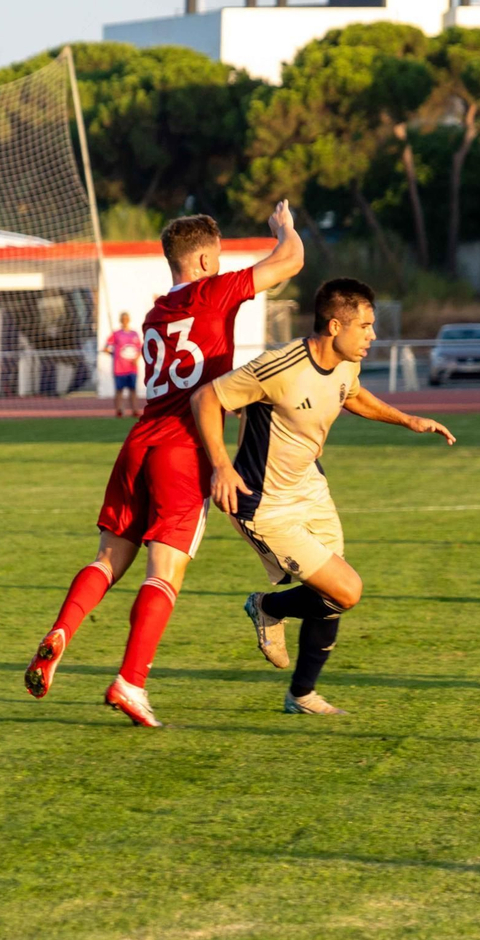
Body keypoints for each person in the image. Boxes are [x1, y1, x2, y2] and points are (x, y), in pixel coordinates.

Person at [24, 201, 305, 727]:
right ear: (202, 261)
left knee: (108, 560)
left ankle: (62, 630)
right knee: (165, 573)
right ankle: (131, 681)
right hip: (183, 448)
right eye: (216, 258)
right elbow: (290, 260)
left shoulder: (157, 312)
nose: (220, 267)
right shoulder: (213, 291)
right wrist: (284, 228)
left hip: (139, 441)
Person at [191, 279, 456, 715]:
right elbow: (206, 398)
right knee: (345, 590)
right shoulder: (279, 367)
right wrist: (221, 465)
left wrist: (407, 420)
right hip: (264, 503)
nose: (373, 335)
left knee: (330, 597)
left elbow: (352, 395)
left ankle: (301, 696)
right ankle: (266, 606)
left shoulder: (346, 363)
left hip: (310, 486)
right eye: (365, 326)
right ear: (335, 326)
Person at [103, 311, 143, 418]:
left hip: (132, 368)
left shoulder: (134, 334)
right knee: (119, 390)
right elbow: (106, 348)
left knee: (133, 390)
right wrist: (114, 354)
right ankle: (119, 410)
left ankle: (135, 410)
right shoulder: (116, 334)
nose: (125, 321)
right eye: (123, 319)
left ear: (129, 320)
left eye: (126, 319)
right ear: (121, 320)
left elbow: (140, 348)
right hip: (119, 368)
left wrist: (136, 358)